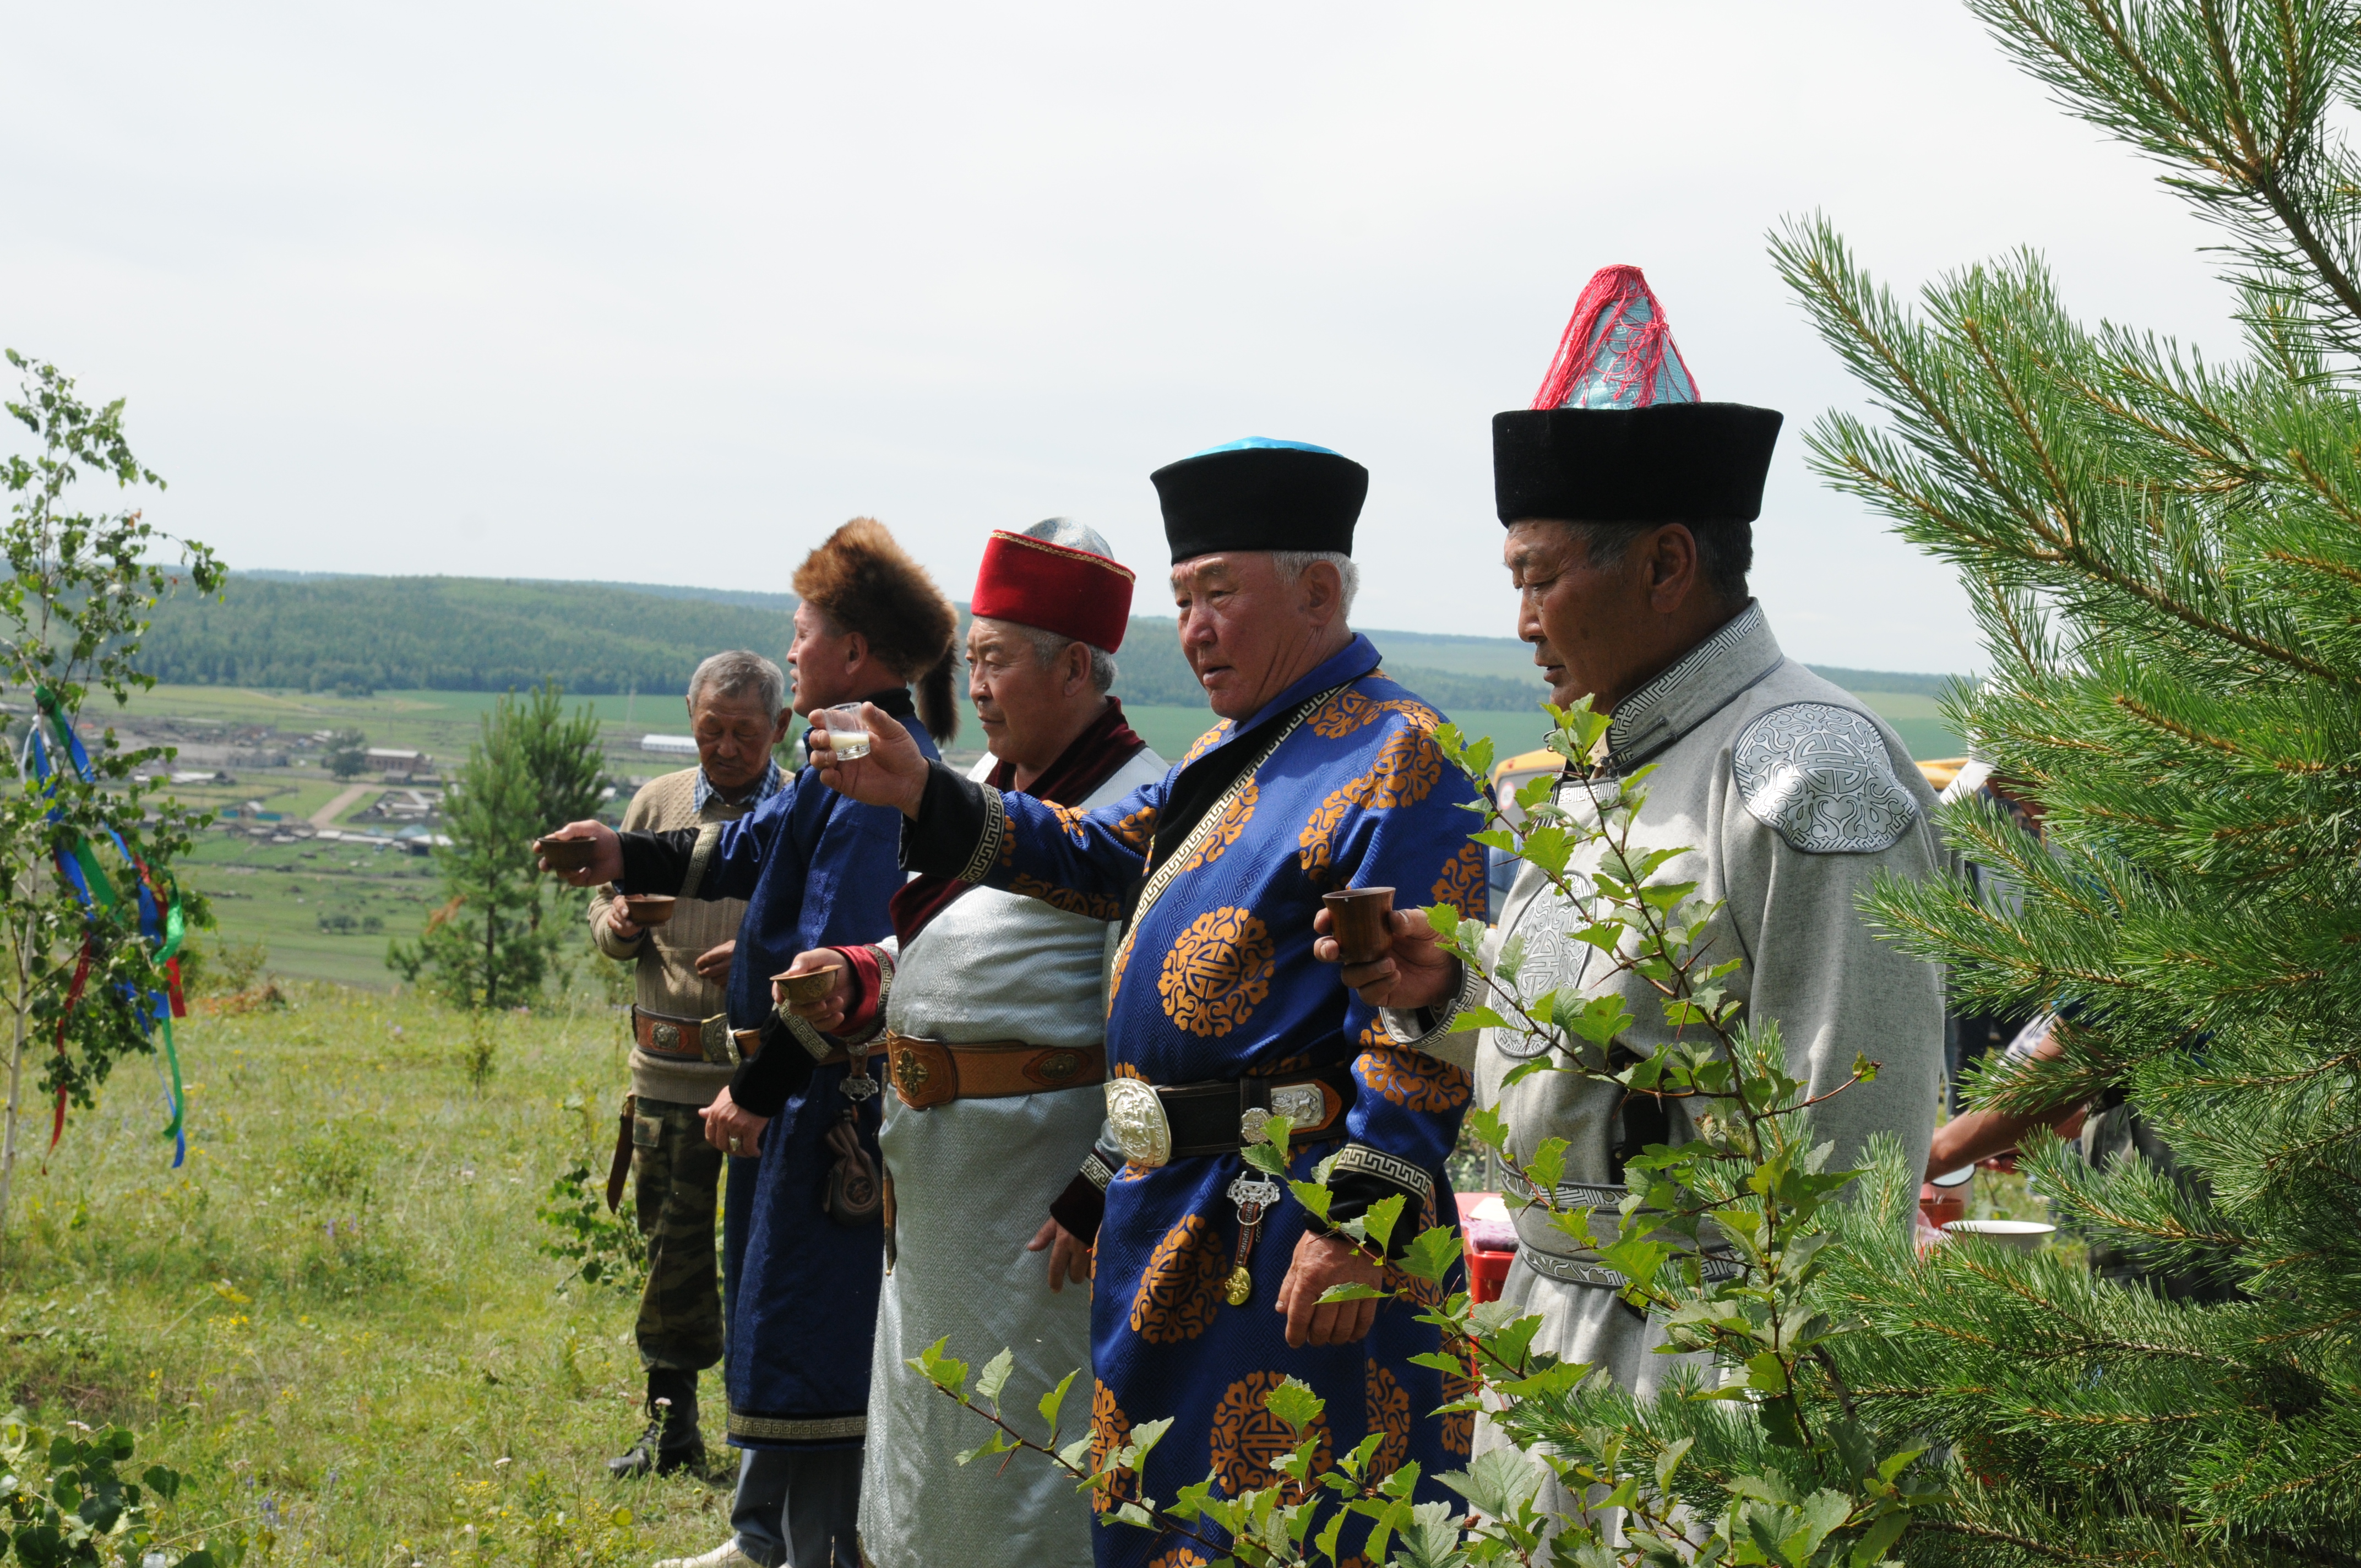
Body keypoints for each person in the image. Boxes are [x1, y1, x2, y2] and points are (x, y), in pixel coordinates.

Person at [812, 440, 1487, 1568]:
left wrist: (1356, 1221)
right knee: (1158, 1519)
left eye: (1220, 593)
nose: (1195, 628)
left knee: (1286, 1527)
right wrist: (923, 788)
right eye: (1182, 600)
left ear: (1317, 592)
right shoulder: (1231, 750)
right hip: (1172, 1215)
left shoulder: (1398, 753)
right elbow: (1092, 854)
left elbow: (1420, 1011)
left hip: (1288, 1237)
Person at [1335, 267, 1946, 1508]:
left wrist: (1777, 1446)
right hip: (1564, 1356)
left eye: (1539, 575)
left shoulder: (1800, 766)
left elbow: (1849, 1142)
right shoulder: (1611, 762)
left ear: (1666, 562)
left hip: (1711, 1382)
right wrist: (1449, 990)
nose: (1517, 618)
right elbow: (1612, 1059)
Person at [543, 518, 958, 1568]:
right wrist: (621, 847)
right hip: (807, 1099)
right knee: (778, 1307)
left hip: (835, 1107)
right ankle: (766, 1535)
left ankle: (813, 1548)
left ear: (855, 652)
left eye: (804, 632)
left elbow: (833, 968)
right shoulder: (842, 752)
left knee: (816, 1322)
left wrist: (763, 1090)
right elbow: (750, 844)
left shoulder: (876, 774)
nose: (791, 650)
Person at [777, 519, 1167, 1568]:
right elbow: (949, 950)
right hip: (937, 1192)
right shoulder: (996, 780)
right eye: (974, 660)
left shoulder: (1140, 808)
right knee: (927, 1444)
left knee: (1023, 1471)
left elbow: (1154, 1024)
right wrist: (861, 977)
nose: (977, 687)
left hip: (1037, 1210)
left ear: (1077, 667)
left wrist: (1099, 1184)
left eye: (996, 661)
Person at [590, 650, 794, 1479]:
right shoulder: (655, 803)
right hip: (667, 1075)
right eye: (712, 730)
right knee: (669, 1257)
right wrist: (628, 926)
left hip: (769, 1078)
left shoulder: (802, 812)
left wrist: (755, 957)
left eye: (745, 732)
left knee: (767, 1258)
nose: (727, 747)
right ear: (691, 718)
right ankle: (671, 1431)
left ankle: (772, 1442)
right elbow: (604, 931)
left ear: (780, 729)